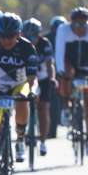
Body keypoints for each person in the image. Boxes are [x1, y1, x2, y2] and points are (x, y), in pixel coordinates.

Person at [0, 13, 38, 175]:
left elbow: (31, 77)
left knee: (23, 100)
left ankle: (20, 136)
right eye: (2, 36)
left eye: (10, 36)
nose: (6, 40)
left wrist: (30, 91)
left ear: (19, 34)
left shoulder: (27, 48)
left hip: (18, 85)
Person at [55, 6, 88, 157]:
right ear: (71, 24)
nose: (80, 28)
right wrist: (59, 71)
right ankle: (65, 106)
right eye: (76, 24)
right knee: (66, 73)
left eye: (84, 24)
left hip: (86, 65)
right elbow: (59, 52)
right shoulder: (63, 30)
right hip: (69, 62)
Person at [22, 18, 56, 156]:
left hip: (42, 78)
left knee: (44, 108)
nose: (31, 40)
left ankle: (42, 141)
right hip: (25, 80)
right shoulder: (21, 45)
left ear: (39, 35)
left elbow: (49, 65)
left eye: (34, 37)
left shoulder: (45, 44)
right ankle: (23, 133)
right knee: (22, 104)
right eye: (28, 36)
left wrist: (52, 78)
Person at [45, 16, 67, 138]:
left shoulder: (68, 39)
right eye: (55, 29)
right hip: (51, 70)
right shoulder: (46, 38)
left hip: (64, 69)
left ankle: (68, 106)